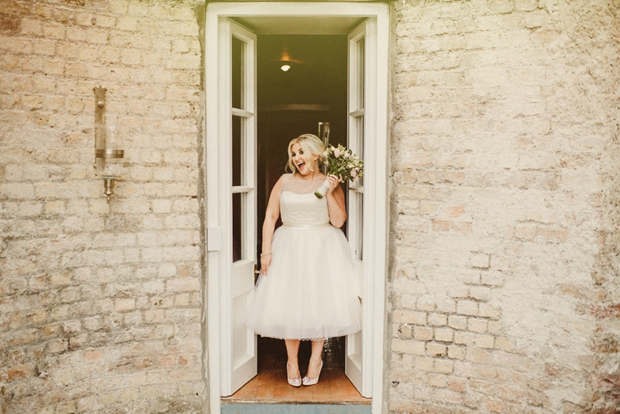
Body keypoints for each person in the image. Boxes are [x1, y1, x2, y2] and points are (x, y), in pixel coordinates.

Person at [246, 134, 362, 387]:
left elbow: (339, 221)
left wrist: (330, 191)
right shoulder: (285, 180)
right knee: (289, 302)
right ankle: (291, 360)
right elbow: (270, 215)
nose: (296, 158)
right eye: (294, 154)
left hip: (322, 248)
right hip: (288, 246)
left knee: (318, 302)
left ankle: (316, 360)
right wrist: (266, 252)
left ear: (315, 155)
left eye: (301, 152)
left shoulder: (329, 182)